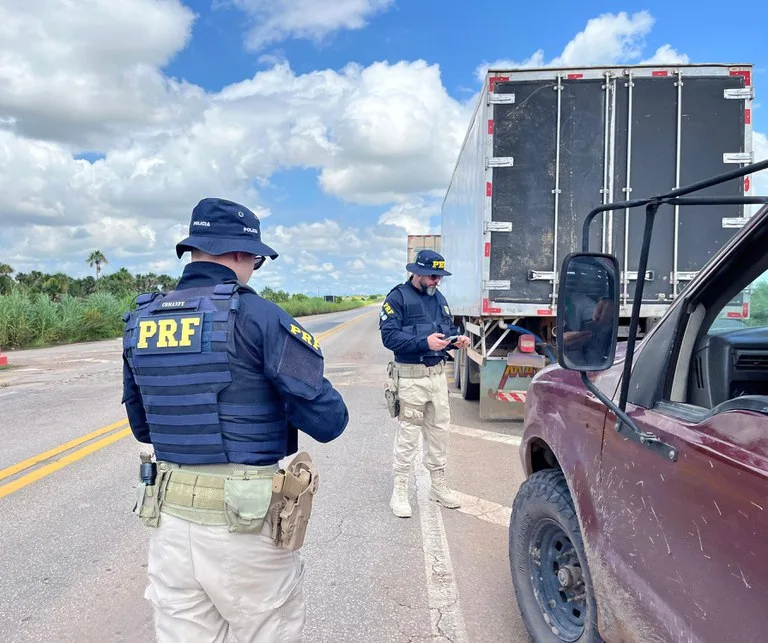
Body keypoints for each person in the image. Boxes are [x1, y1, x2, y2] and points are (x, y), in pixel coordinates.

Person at [121, 197, 349, 642]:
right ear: (243, 255)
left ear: (194, 250)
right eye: (257, 260)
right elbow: (330, 421)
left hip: (169, 526)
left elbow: (142, 426)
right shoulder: (259, 316)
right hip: (244, 530)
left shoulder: (141, 319)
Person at [379, 249, 471, 518]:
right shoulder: (397, 298)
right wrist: (423, 342)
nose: (436, 282)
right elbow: (389, 337)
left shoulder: (439, 299)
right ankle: (400, 489)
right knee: (408, 434)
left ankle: (438, 486)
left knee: (439, 432)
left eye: (439, 277)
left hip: (437, 377)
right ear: (416, 272)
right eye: (432, 276)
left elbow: (447, 330)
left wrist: (458, 339)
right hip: (410, 378)